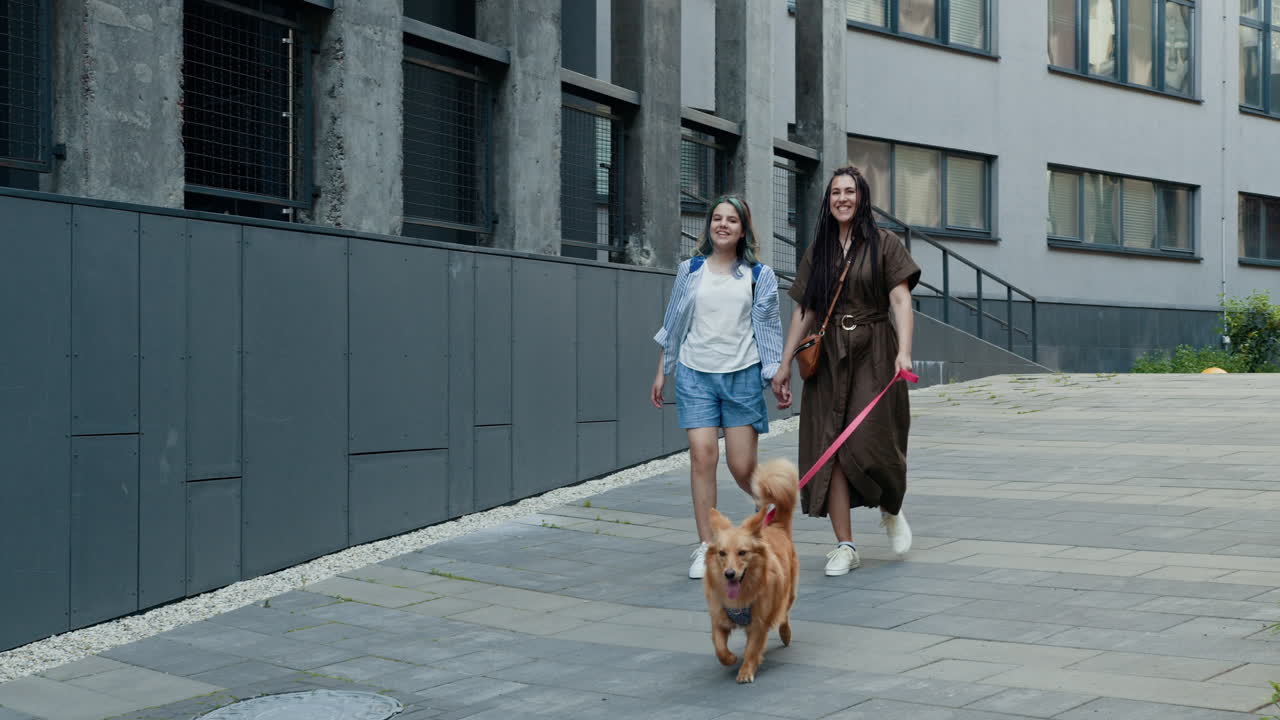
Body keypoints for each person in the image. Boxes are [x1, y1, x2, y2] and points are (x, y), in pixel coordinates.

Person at [771, 166, 921, 577]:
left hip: (875, 348)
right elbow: (805, 310)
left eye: (849, 191)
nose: (842, 198)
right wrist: (785, 363)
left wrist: (904, 352)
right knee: (830, 447)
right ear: (828, 200)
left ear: (862, 197)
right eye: (835, 192)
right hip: (829, 355)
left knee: (876, 439)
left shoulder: (884, 244)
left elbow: (901, 300)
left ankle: (891, 507)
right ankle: (845, 544)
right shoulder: (818, 250)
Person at [651, 195, 785, 579]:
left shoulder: (760, 276)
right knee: (702, 456)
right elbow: (674, 326)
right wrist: (663, 370)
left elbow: (769, 331)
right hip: (695, 375)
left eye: (731, 220)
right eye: (717, 219)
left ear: (743, 230)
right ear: (708, 225)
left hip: (742, 376)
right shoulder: (690, 270)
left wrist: (776, 375)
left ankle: (773, 515)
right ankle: (708, 546)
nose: (722, 225)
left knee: (741, 466)